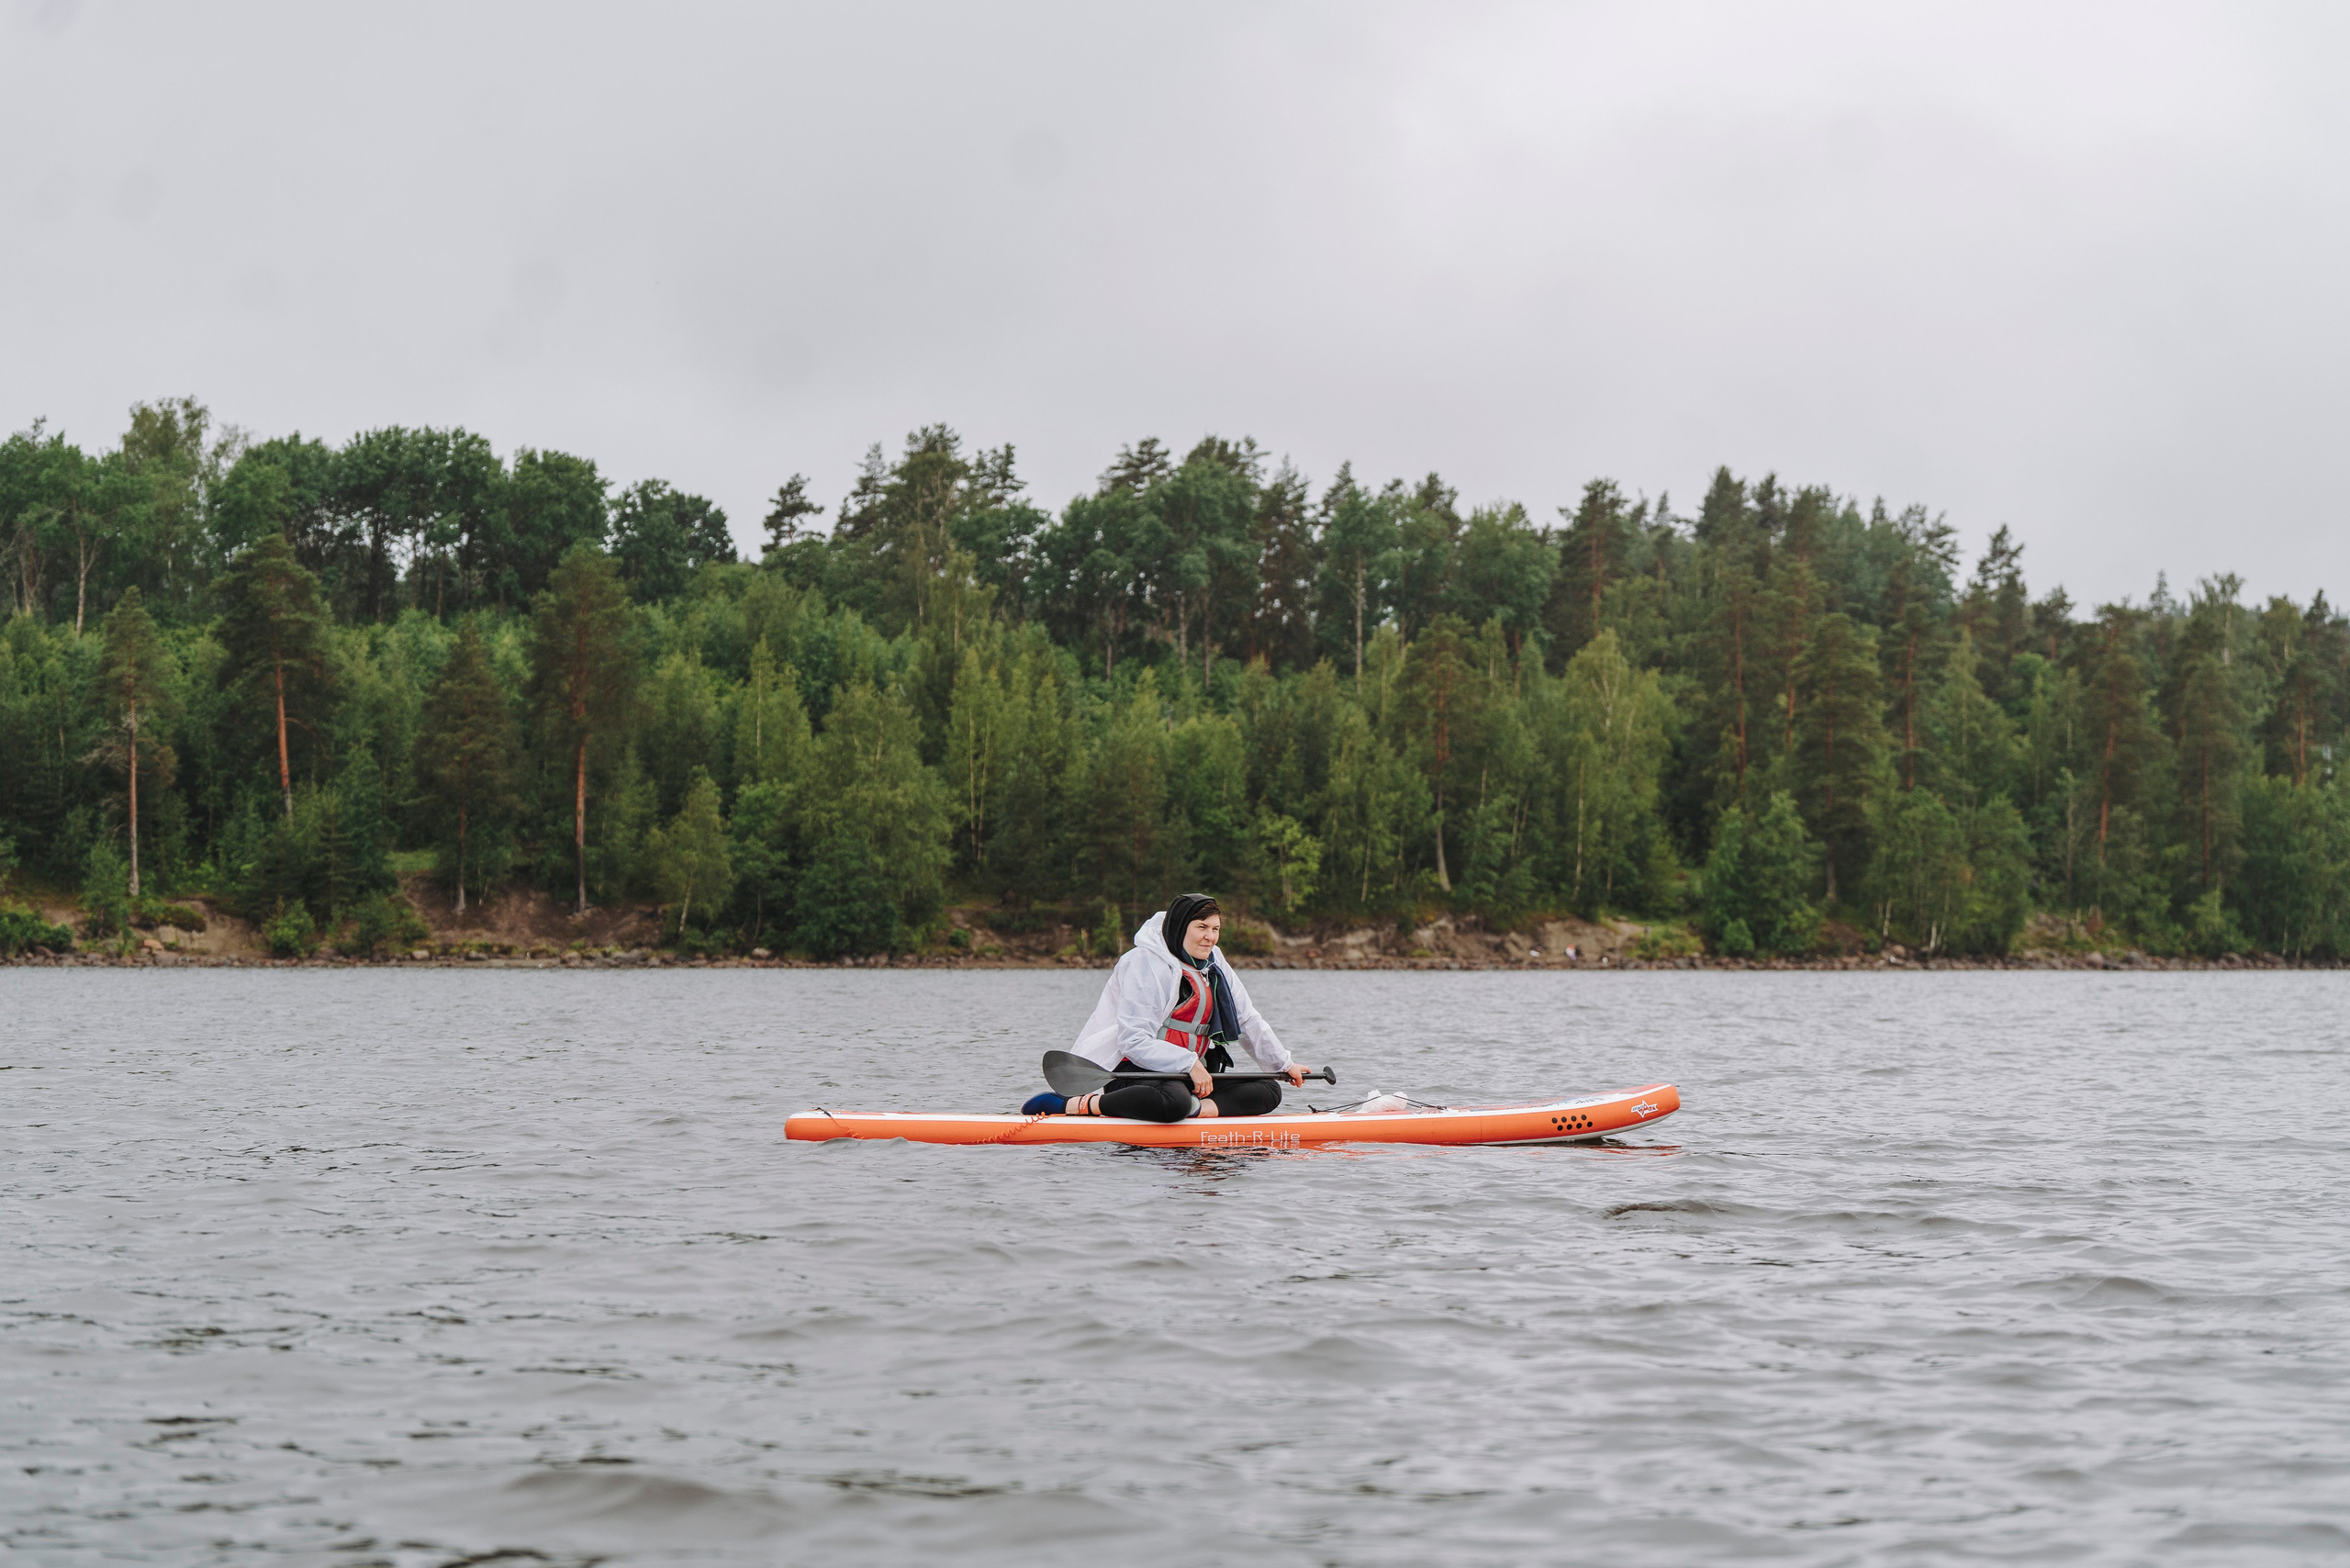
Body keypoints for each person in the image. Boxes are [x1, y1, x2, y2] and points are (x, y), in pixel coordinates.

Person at [1043, 893, 1316, 1122]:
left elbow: (1246, 1019)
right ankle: (1076, 1105)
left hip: (1188, 1074)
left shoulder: (1213, 962)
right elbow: (1133, 1040)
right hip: (1135, 1074)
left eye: (1216, 929)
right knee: (1172, 1101)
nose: (1210, 937)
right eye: (1202, 927)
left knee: (1269, 1089)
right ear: (1181, 927)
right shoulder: (1145, 962)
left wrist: (1284, 1063)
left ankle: (1194, 1111)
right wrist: (1188, 1063)